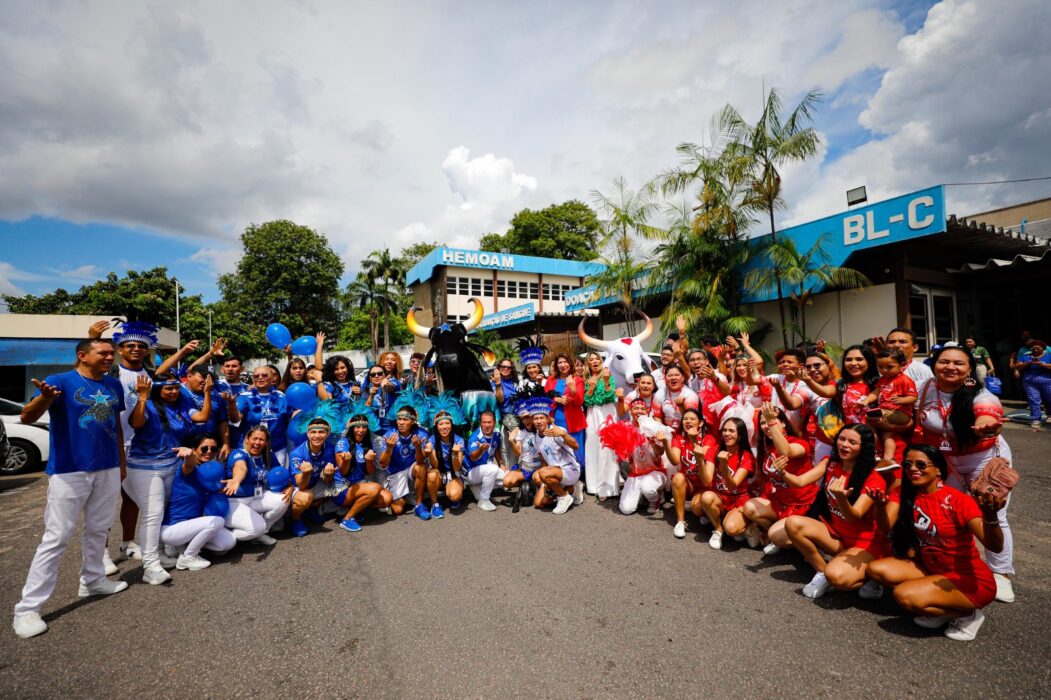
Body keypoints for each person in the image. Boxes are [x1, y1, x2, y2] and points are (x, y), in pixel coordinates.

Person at [13, 338, 129, 639]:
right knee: (57, 537)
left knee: (99, 529)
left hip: (107, 467)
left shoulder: (113, 386)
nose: (109, 357)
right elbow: (28, 416)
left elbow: (115, 426)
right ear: (82, 355)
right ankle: (27, 609)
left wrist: (121, 462)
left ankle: (92, 579)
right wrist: (45, 398)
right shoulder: (59, 381)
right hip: (69, 470)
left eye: (110, 352)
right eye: (102, 353)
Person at [866, 445, 1004, 641]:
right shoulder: (903, 493)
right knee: (876, 569)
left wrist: (990, 517)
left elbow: (994, 546)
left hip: (968, 579)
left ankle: (967, 615)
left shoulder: (958, 500)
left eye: (921, 464)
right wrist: (880, 507)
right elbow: (885, 525)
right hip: (932, 569)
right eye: (908, 464)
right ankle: (939, 608)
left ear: (938, 469)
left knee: (904, 596)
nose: (913, 469)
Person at [914, 345, 1016, 603]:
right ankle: (955, 565)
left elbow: (986, 416)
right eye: (944, 361)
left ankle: (1001, 573)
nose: (950, 367)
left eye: (959, 363)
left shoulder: (982, 395)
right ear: (933, 364)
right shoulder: (924, 388)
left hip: (983, 459)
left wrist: (986, 427)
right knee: (945, 512)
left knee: (992, 513)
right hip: (945, 461)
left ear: (970, 369)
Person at [784, 424, 894, 600]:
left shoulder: (874, 476)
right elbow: (798, 482)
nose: (844, 445)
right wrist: (782, 472)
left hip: (864, 543)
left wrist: (842, 499)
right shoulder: (831, 463)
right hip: (837, 535)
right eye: (842, 439)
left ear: (864, 447)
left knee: (838, 578)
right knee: (792, 523)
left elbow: (854, 516)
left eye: (852, 442)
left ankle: (870, 576)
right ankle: (821, 571)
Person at [125, 371, 213, 585]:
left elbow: (202, 417)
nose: (173, 391)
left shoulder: (182, 406)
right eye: (168, 388)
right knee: (152, 515)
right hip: (145, 467)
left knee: (163, 510)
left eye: (176, 387)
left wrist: (208, 392)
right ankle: (150, 566)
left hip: (171, 465)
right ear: (158, 389)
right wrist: (143, 397)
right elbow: (136, 423)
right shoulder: (149, 405)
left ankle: (161, 553)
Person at [740, 403, 816, 555]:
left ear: (783, 423)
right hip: (780, 503)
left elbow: (787, 451)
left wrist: (771, 421)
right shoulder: (769, 448)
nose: (767, 425)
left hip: (801, 506)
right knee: (749, 507)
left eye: (771, 421)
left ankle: (806, 544)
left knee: (776, 536)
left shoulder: (800, 443)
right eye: (763, 423)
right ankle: (774, 532)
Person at [161, 434, 237, 571]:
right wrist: (188, 455)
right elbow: (189, 463)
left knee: (227, 543)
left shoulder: (213, 471)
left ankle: (185, 546)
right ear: (194, 449)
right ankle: (187, 557)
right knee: (217, 521)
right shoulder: (188, 470)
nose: (209, 451)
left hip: (192, 525)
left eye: (213, 449)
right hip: (173, 528)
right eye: (204, 448)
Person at [222, 425, 292, 545]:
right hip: (236, 502)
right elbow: (240, 467)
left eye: (261, 440)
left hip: (256, 497)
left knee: (283, 499)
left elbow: (279, 473)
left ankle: (261, 532)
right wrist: (236, 480)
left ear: (266, 442)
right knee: (255, 529)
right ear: (247, 439)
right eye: (254, 438)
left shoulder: (268, 454)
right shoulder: (238, 454)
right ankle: (228, 536)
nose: (257, 443)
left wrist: (289, 486)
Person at [696, 417, 755, 550]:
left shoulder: (746, 456)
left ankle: (744, 523)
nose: (727, 434)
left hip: (738, 500)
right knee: (705, 497)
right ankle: (718, 529)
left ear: (740, 434)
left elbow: (732, 485)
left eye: (731, 431)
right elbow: (706, 481)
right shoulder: (715, 449)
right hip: (720, 496)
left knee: (732, 530)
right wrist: (700, 460)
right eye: (724, 430)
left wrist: (724, 464)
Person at [332, 412, 389, 532]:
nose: (361, 430)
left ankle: (355, 509)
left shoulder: (367, 444)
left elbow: (369, 471)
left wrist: (369, 460)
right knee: (374, 488)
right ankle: (348, 519)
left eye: (364, 427)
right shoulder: (342, 443)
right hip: (342, 488)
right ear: (352, 428)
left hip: (359, 485)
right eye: (357, 427)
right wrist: (346, 461)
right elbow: (343, 472)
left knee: (387, 498)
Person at [858, 349, 917, 463]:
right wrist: (866, 401)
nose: (884, 370)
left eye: (889, 367)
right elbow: (876, 392)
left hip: (900, 413)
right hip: (888, 412)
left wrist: (902, 400)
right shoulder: (883, 379)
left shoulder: (905, 380)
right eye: (880, 367)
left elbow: (914, 397)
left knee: (869, 420)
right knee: (887, 435)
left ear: (902, 365)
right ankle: (888, 459)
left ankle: (872, 451)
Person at [288, 418, 342, 537]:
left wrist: (328, 475)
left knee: (342, 486)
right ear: (308, 434)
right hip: (298, 488)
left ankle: (314, 507)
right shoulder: (297, 454)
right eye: (313, 432)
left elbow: (328, 480)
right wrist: (306, 473)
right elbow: (301, 485)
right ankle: (295, 519)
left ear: (327, 434)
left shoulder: (330, 449)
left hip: (316, 483)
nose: (317, 436)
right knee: (306, 497)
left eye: (321, 432)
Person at [619, 398, 671, 516]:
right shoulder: (625, 428)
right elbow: (622, 455)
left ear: (647, 412)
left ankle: (655, 499)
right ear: (630, 411)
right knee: (626, 509)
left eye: (643, 409)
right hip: (636, 473)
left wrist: (652, 442)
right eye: (636, 408)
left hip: (655, 472)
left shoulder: (654, 426)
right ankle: (643, 494)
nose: (639, 411)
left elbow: (662, 451)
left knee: (648, 488)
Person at [667, 408, 712, 539]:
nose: (688, 421)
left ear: (701, 423)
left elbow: (701, 457)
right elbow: (675, 461)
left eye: (692, 419)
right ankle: (680, 521)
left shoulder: (709, 439)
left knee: (697, 509)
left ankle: (697, 507)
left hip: (705, 485)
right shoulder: (678, 438)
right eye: (685, 419)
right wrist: (665, 444)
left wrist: (693, 440)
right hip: (689, 483)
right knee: (678, 477)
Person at [236, 366, 293, 466]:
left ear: (272, 378)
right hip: (253, 446)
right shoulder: (245, 396)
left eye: (264, 375)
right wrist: (231, 405)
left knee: (277, 476)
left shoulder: (281, 396)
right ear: (253, 379)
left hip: (277, 446)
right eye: (256, 376)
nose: (260, 378)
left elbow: (289, 418)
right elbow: (235, 419)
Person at [379, 406, 428, 517]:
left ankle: (419, 504)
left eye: (405, 420)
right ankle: (403, 497)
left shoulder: (421, 434)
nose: (400, 422)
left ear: (413, 421)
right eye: (399, 419)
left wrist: (418, 448)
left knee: (421, 467)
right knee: (398, 510)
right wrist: (389, 448)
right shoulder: (389, 434)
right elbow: (383, 464)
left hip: (411, 470)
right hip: (395, 473)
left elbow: (420, 461)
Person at [583, 352, 620, 500]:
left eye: (596, 359)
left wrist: (605, 381)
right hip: (592, 413)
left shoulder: (609, 375)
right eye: (591, 360)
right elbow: (587, 401)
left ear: (601, 361)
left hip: (607, 411)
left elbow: (610, 396)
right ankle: (593, 485)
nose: (594, 361)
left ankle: (607, 487)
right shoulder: (586, 379)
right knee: (592, 447)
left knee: (608, 448)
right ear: (588, 364)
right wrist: (591, 387)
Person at [532, 409, 583, 514]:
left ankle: (564, 496)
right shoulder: (535, 438)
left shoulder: (557, 430)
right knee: (538, 502)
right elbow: (544, 460)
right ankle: (572, 489)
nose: (539, 421)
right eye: (536, 419)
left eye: (542, 418)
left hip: (570, 470)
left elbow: (576, 446)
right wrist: (545, 482)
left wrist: (563, 434)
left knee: (543, 473)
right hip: (554, 473)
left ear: (547, 419)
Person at [183, 366, 240, 460]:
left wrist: (226, 443)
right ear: (189, 376)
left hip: (209, 448)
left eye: (210, 378)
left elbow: (222, 421)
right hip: (187, 446)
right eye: (203, 376)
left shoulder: (216, 396)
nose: (206, 381)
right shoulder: (180, 392)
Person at [544, 353, 586, 467]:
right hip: (556, 419)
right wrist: (556, 399)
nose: (563, 365)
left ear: (570, 364)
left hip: (574, 421)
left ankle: (578, 476)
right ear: (556, 365)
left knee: (576, 449)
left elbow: (579, 402)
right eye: (560, 363)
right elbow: (544, 400)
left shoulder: (578, 380)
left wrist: (573, 389)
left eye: (565, 362)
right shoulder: (551, 380)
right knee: (559, 449)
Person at [423, 410, 466, 514]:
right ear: (436, 427)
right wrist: (430, 453)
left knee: (454, 496)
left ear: (451, 425)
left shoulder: (458, 440)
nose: (444, 427)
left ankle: (451, 491)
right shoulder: (432, 440)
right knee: (432, 474)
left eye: (447, 423)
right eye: (441, 424)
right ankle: (435, 504)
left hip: (454, 474)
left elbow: (457, 468)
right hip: (439, 475)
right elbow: (435, 465)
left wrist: (455, 455)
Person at [463, 411, 505, 512]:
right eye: (484, 422)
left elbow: (496, 449)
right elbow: (473, 457)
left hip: (485, 469)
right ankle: (483, 500)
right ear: (480, 423)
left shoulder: (496, 433)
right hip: (471, 472)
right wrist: (481, 450)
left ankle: (478, 487)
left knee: (508, 479)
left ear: (494, 423)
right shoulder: (475, 437)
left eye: (489, 422)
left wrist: (501, 463)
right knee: (493, 470)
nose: (486, 425)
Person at [873, 327, 934, 394]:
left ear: (915, 347)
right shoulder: (879, 368)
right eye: (891, 342)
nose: (896, 345)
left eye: (902, 342)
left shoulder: (923, 370)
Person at [1014, 339, 1051, 430]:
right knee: (1034, 400)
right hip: (1030, 381)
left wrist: (1042, 365)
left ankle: (1050, 414)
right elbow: (1017, 366)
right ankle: (1036, 419)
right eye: (1033, 349)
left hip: (1047, 380)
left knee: (1049, 399)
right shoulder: (1025, 356)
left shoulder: (1049, 356)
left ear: (1043, 348)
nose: (1035, 350)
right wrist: (1027, 363)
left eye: (1038, 348)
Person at [491, 358, 519, 476]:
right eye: (503, 367)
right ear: (499, 368)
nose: (506, 369)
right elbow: (500, 400)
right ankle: (505, 473)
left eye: (508, 367)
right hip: (501, 418)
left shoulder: (516, 382)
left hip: (516, 418)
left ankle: (513, 471)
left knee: (514, 445)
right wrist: (498, 383)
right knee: (504, 446)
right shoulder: (494, 382)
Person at [364, 365, 400, 430]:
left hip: (392, 427)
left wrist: (386, 384)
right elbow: (365, 410)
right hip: (373, 428)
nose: (376, 376)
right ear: (370, 377)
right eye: (373, 374)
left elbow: (392, 388)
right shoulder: (366, 390)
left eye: (380, 373)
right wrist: (371, 396)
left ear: (384, 375)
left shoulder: (392, 382)